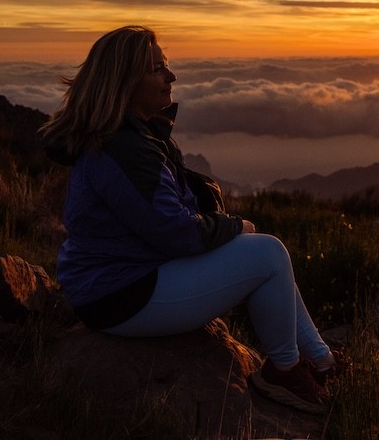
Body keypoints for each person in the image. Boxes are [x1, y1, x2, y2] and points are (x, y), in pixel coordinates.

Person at [40, 25, 343, 414]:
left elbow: (167, 219)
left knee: (265, 254)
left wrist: (224, 229)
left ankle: (321, 362)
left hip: (121, 281)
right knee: (266, 253)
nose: (171, 76)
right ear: (125, 81)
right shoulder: (125, 148)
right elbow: (176, 233)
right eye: (157, 68)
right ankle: (284, 372)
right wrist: (235, 227)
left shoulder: (133, 137)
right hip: (120, 295)